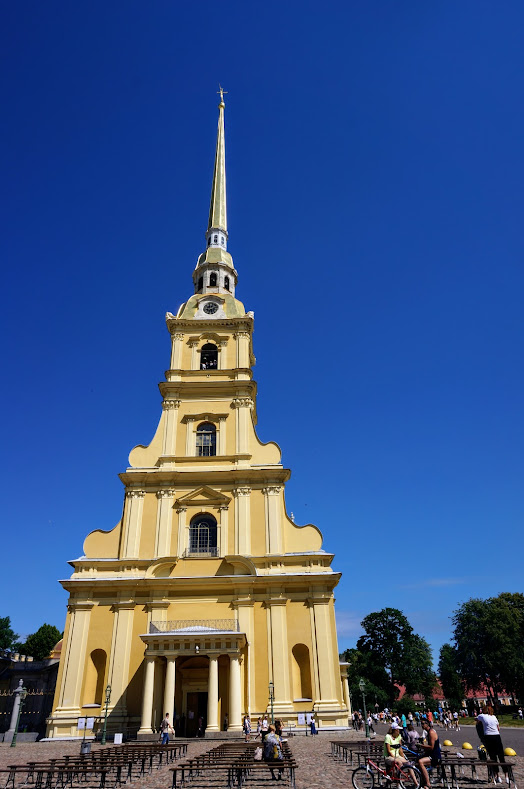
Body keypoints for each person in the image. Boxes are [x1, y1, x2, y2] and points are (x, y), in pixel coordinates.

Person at [477, 706, 506, 782]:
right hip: (497, 735)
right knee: (501, 756)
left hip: (488, 736)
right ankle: (506, 776)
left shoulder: (482, 716)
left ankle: (497, 776)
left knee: (493, 757)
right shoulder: (494, 717)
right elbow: (498, 727)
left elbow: (476, 720)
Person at [418, 719, 442, 788]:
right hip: (431, 754)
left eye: (423, 724)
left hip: (435, 756)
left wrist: (421, 746)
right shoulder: (428, 732)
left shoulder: (431, 732)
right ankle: (423, 782)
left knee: (421, 762)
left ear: (427, 724)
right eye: (421, 723)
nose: (422, 725)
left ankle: (428, 783)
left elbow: (431, 747)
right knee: (418, 759)